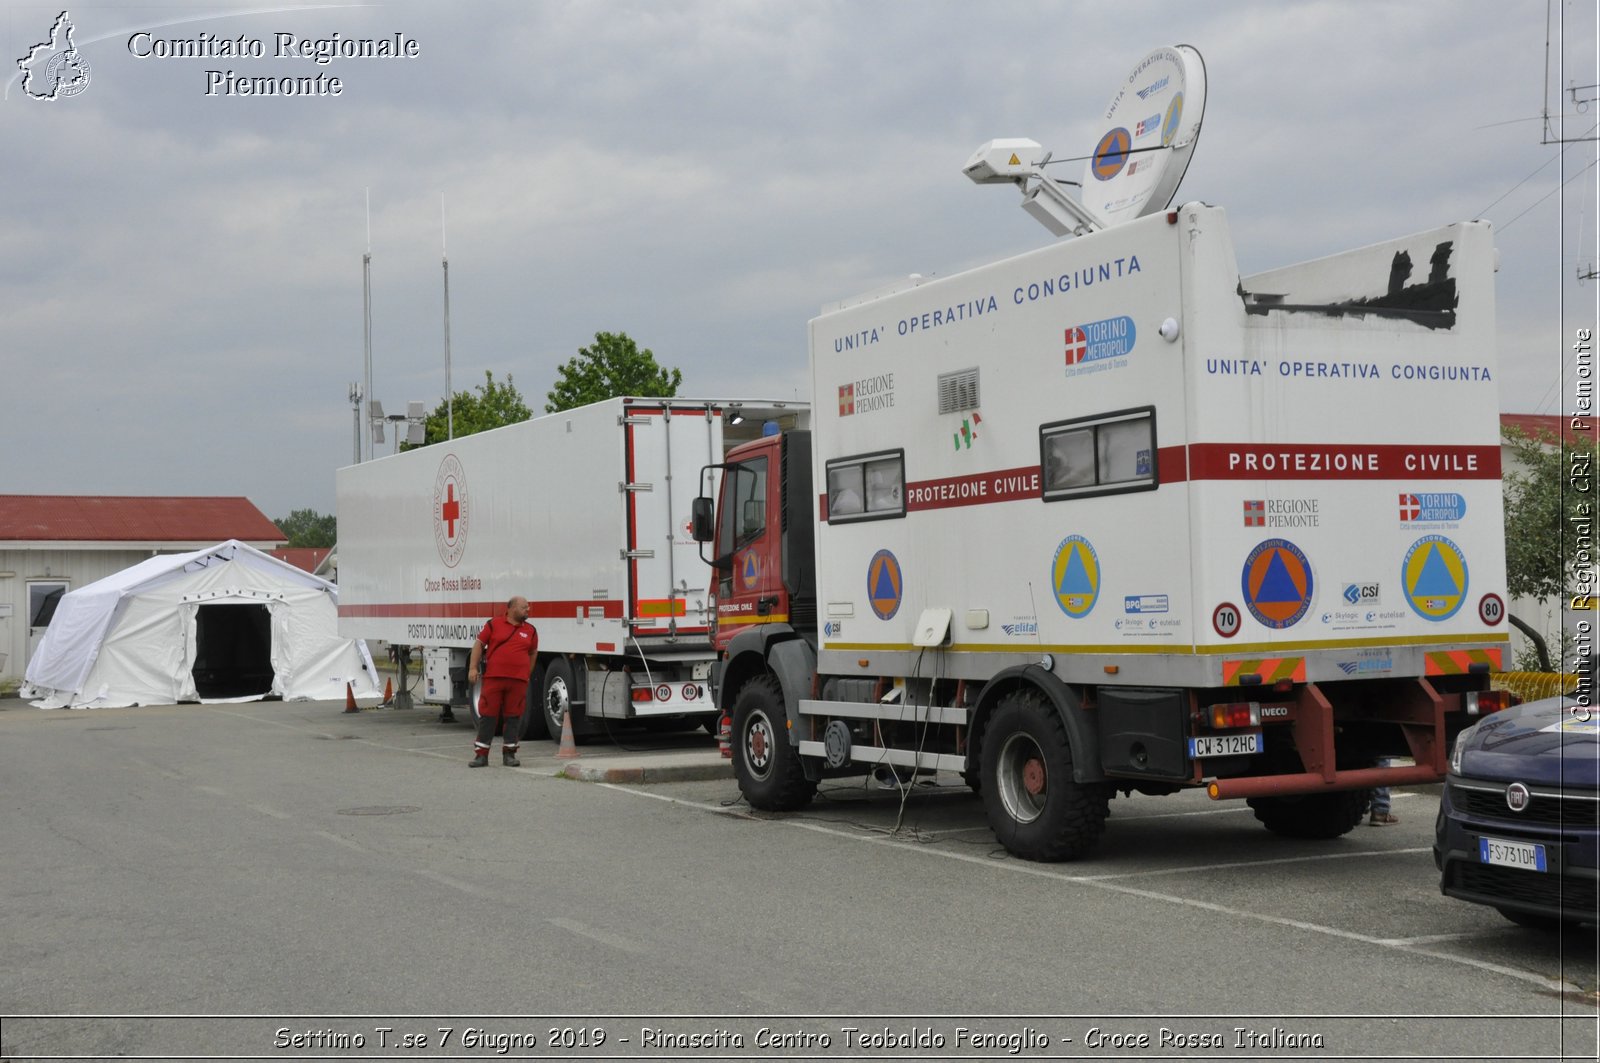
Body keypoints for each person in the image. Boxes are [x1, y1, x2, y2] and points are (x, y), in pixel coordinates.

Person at [466, 596, 537, 767]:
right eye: (524, 607)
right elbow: (478, 645)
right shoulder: (494, 624)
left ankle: (509, 754)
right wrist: (473, 668)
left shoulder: (531, 630)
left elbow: (533, 653)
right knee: (488, 715)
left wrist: (527, 673)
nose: (528, 610)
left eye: (528, 607)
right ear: (512, 608)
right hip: (494, 679)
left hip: (518, 681)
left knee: (514, 716)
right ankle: (481, 755)